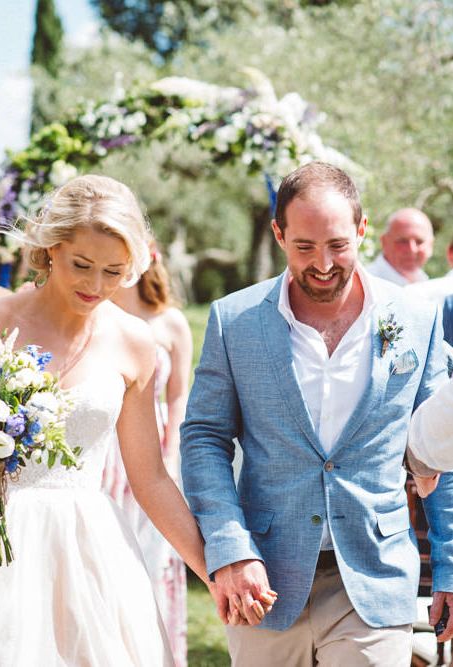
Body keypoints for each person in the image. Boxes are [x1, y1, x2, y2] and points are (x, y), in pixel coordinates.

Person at [0, 174, 216, 666]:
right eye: (81, 265)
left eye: (113, 271)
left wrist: (213, 571)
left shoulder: (134, 342)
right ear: (49, 250)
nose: (95, 285)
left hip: (87, 551)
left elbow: (149, 478)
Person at [181, 162, 453, 665]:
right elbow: (204, 438)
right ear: (279, 234)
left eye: (338, 245)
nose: (323, 264)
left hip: (374, 576)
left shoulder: (417, 318)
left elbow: (441, 440)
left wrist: (451, 564)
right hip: (264, 579)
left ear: (362, 230)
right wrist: (230, 548)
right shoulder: (233, 321)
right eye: (304, 247)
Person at [104, 243, 193, 666]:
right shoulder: (100, 313)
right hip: (105, 442)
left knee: (152, 547)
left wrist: (171, 448)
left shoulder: (171, 322)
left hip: (152, 438)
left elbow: (179, 395)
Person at [366, 207, 434, 285]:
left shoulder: (428, 285)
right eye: (403, 241)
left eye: (419, 242)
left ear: (430, 245)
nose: (412, 249)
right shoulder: (366, 285)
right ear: (384, 242)